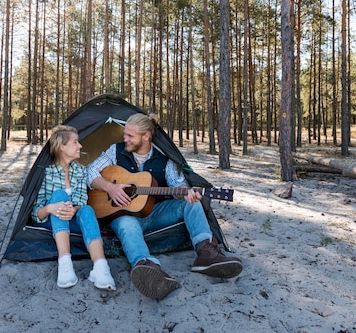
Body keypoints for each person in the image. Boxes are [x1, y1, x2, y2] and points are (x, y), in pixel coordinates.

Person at [87, 113, 242, 299]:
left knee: (191, 205)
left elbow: (178, 185)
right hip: (124, 215)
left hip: (155, 213)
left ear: (146, 136)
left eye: (130, 135)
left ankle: (206, 252)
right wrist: (110, 187)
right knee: (127, 226)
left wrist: (187, 193)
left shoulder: (164, 158)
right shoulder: (115, 151)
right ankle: (147, 266)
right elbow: (91, 171)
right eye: (125, 134)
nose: (124, 138)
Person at [32, 125, 116, 291]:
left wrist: (74, 209)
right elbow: (36, 213)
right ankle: (65, 263)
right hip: (52, 221)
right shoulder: (46, 173)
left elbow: (82, 202)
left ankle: (100, 267)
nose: (81, 146)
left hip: (74, 220)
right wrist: (51, 208)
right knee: (59, 196)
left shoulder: (80, 171)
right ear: (62, 147)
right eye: (75, 142)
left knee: (87, 210)